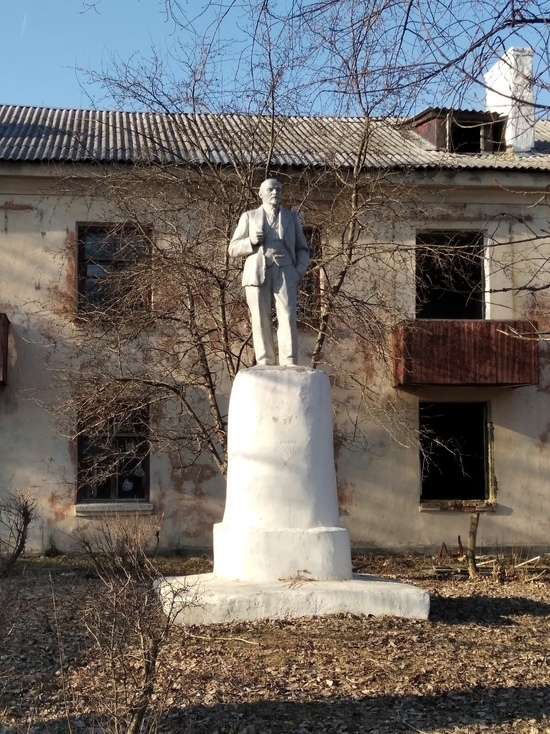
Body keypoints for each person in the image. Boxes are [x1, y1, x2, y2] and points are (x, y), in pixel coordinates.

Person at [229, 178, 310, 366]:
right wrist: (251, 242)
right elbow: (232, 249)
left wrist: (297, 272)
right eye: (271, 189)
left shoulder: (291, 218)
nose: (275, 193)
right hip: (257, 272)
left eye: (278, 189)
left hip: (285, 270)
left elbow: (303, 249)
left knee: (288, 316)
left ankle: (289, 361)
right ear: (261, 194)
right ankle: (265, 360)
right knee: (259, 317)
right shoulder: (249, 217)